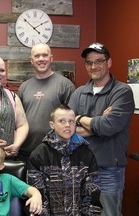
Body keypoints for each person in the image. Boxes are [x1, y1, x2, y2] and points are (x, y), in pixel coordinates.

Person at [68, 42, 135, 216]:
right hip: (79, 168)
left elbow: (109, 126)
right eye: (89, 62)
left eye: (99, 61)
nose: (94, 66)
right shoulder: (79, 93)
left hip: (108, 171)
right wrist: (98, 124)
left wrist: (80, 119)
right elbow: (65, 128)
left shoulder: (122, 92)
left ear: (109, 62)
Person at [27, 104, 102, 215]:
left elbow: (92, 193)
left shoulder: (86, 153)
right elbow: (38, 195)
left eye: (71, 121)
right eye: (62, 121)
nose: (67, 125)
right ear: (52, 124)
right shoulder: (39, 154)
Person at [18, 43, 75, 162]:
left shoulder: (65, 85)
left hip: (55, 151)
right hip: (26, 151)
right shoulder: (24, 87)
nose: (41, 59)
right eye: (37, 56)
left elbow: (72, 120)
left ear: (51, 58)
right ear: (31, 60)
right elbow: (19, 120)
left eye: (45, 55)